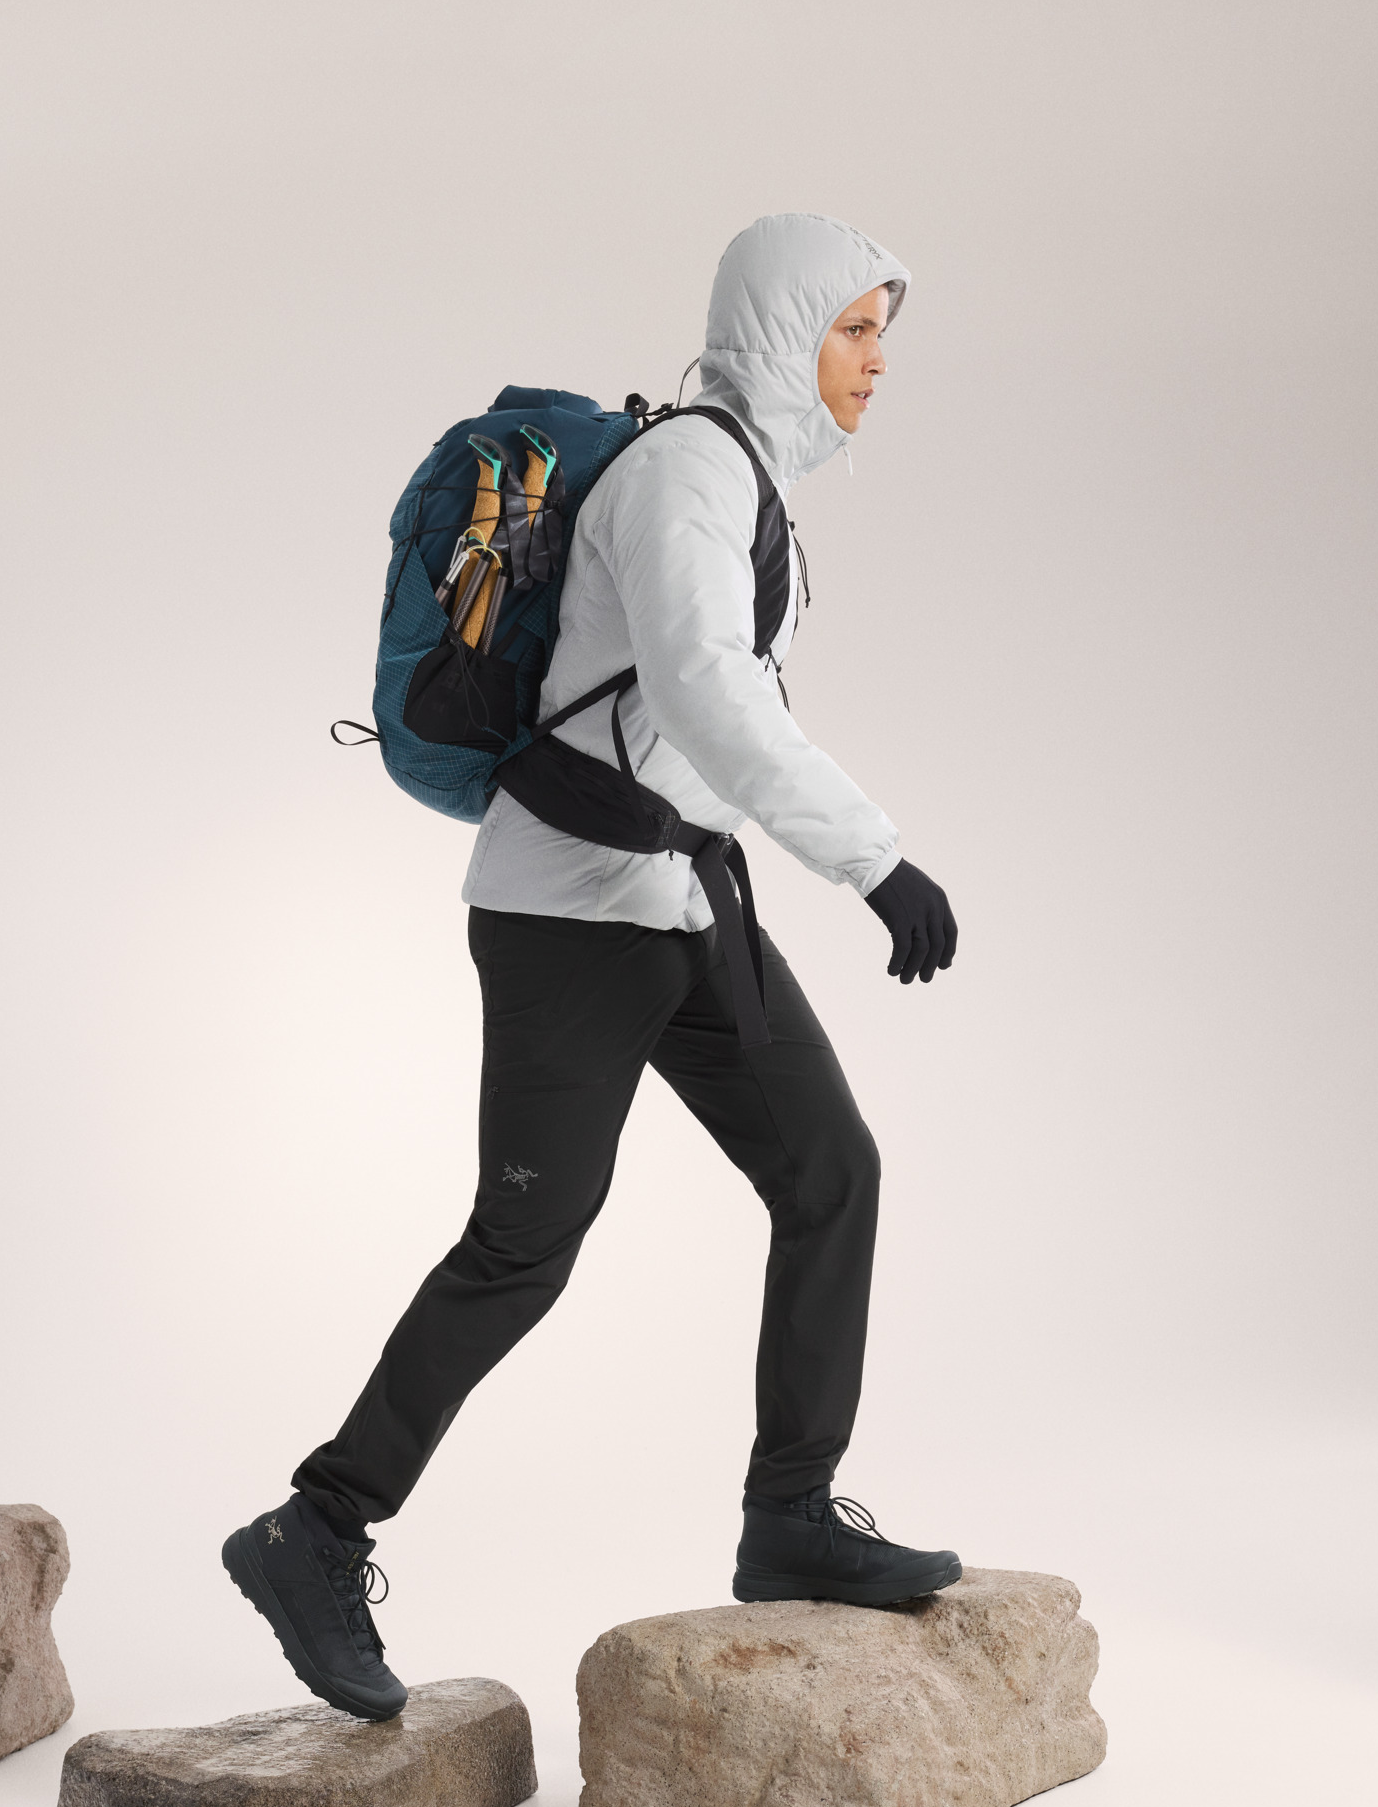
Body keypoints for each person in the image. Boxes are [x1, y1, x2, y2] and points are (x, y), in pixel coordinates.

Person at [223, 213, 961, 1722]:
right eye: (853, 329)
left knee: (832, 1172)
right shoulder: (690, 472)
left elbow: (706, 712)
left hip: (680, 898)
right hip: (570, 914)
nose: (878, 362)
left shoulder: (745, 478)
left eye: (885, 333)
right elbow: (706, 690)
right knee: (525, 1245)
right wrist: (873, 858)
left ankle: (790, 1516)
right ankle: (317, 1527)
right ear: (780, 332)